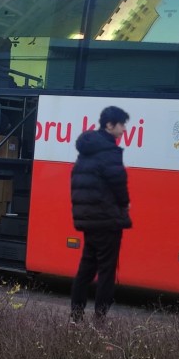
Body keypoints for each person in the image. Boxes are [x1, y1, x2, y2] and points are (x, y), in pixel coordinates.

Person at [69, 106, 132, 322]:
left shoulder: (87, 151)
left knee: (86, 267)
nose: (124, 129)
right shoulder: (108, 151)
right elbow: (119, 182)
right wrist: (125, 204)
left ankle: (76, 314)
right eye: (121, 124)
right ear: (109, 125)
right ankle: (100, 318)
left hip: (90, 219)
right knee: (106, 270)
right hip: (107, 220)